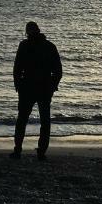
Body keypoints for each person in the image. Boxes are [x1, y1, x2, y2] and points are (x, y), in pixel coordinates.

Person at [10, 21, 62, 160]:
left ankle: (18, 150)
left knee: (22, 120)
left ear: (27, 32)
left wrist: (18, 84)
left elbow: (17, 68)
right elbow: (58, 70)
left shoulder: (25, 45)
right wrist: (53, 86)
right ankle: (41, 151)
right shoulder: (49, 46)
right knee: (44, 121)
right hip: (43, 87)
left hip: (28, 87)